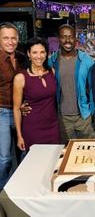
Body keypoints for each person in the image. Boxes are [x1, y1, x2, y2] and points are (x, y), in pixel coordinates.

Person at [48, 24, 95, 143]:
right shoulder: (51, 61)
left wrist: (92, 112)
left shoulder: (87, 61)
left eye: (70, 37)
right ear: (58, 39)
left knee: (88, 150)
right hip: (62, 117)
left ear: (76, 39)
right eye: (64, 37)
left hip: (83, 116)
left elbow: (93, 89)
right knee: (66, 152)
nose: (67, 40)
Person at [13, 37, 60, 158]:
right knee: (35, 165)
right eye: (34, 52)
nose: (39, 56)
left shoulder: (52, 72)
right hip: (33, 128)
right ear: (28, 54)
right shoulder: (20, 78)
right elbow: (17, 109)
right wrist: (19, 136)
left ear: (47, 53)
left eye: (42, 52)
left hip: (52, 127)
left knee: (53, 163)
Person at [0, 22, 28, 190]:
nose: (10, 42)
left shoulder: (22, 58)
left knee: (24, 153)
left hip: (20, 112)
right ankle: (3, 193)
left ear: (17, 39)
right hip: (2, 112)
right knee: (5, 159)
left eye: (13, 38)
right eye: (5, 38)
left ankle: (20, 191)